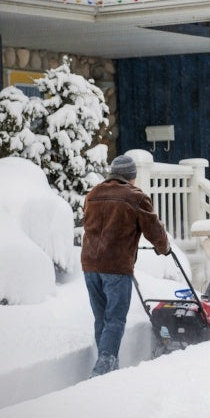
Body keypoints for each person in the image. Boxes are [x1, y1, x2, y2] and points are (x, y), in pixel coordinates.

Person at [81, 154, 170, 377]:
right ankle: (103, 370)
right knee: (115, 319)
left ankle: (108, 366)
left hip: (90, 265)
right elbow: (154, 230)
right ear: (132, 177)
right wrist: (163, 247)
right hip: (116, 266)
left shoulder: (93, 194)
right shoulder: (135, 197)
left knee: (102, 318)